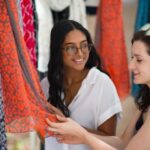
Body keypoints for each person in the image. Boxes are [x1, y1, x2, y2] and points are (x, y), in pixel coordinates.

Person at [46, 24, 150, 150]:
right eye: (132, 57)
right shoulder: (146, 102)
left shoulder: (102, 83)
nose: (130, 66)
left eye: (139, 60)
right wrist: (71, 127)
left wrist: (83, 136)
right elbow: (122, 142)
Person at [41, 20, 122, 150]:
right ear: (57, 50)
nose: (80, 53)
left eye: (84, 46)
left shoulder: (102, 84)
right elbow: (43, 136)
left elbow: (110, 141)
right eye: (71, 47)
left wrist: (68, 126)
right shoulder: (45, 86)